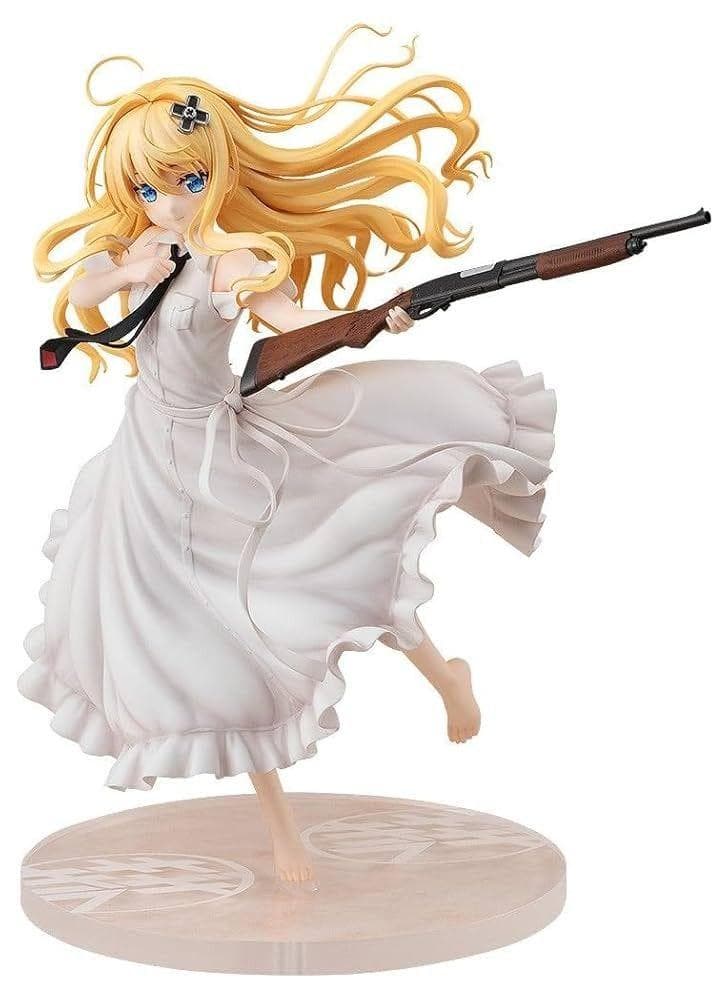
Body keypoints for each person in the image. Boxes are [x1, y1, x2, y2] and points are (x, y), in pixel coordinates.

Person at [21, 27, 556, 884]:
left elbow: (290, 322)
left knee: (329, 583)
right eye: (149, 188)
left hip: (223, 460)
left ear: (218, 175)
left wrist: (375, 320)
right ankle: (282, 836)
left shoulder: (229, 260)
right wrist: (128, 273)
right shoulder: (137, 250)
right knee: (208, 642)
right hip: (145, 468)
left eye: (188, 183)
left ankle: (446, 679)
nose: (169, 203)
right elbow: (79, 292)